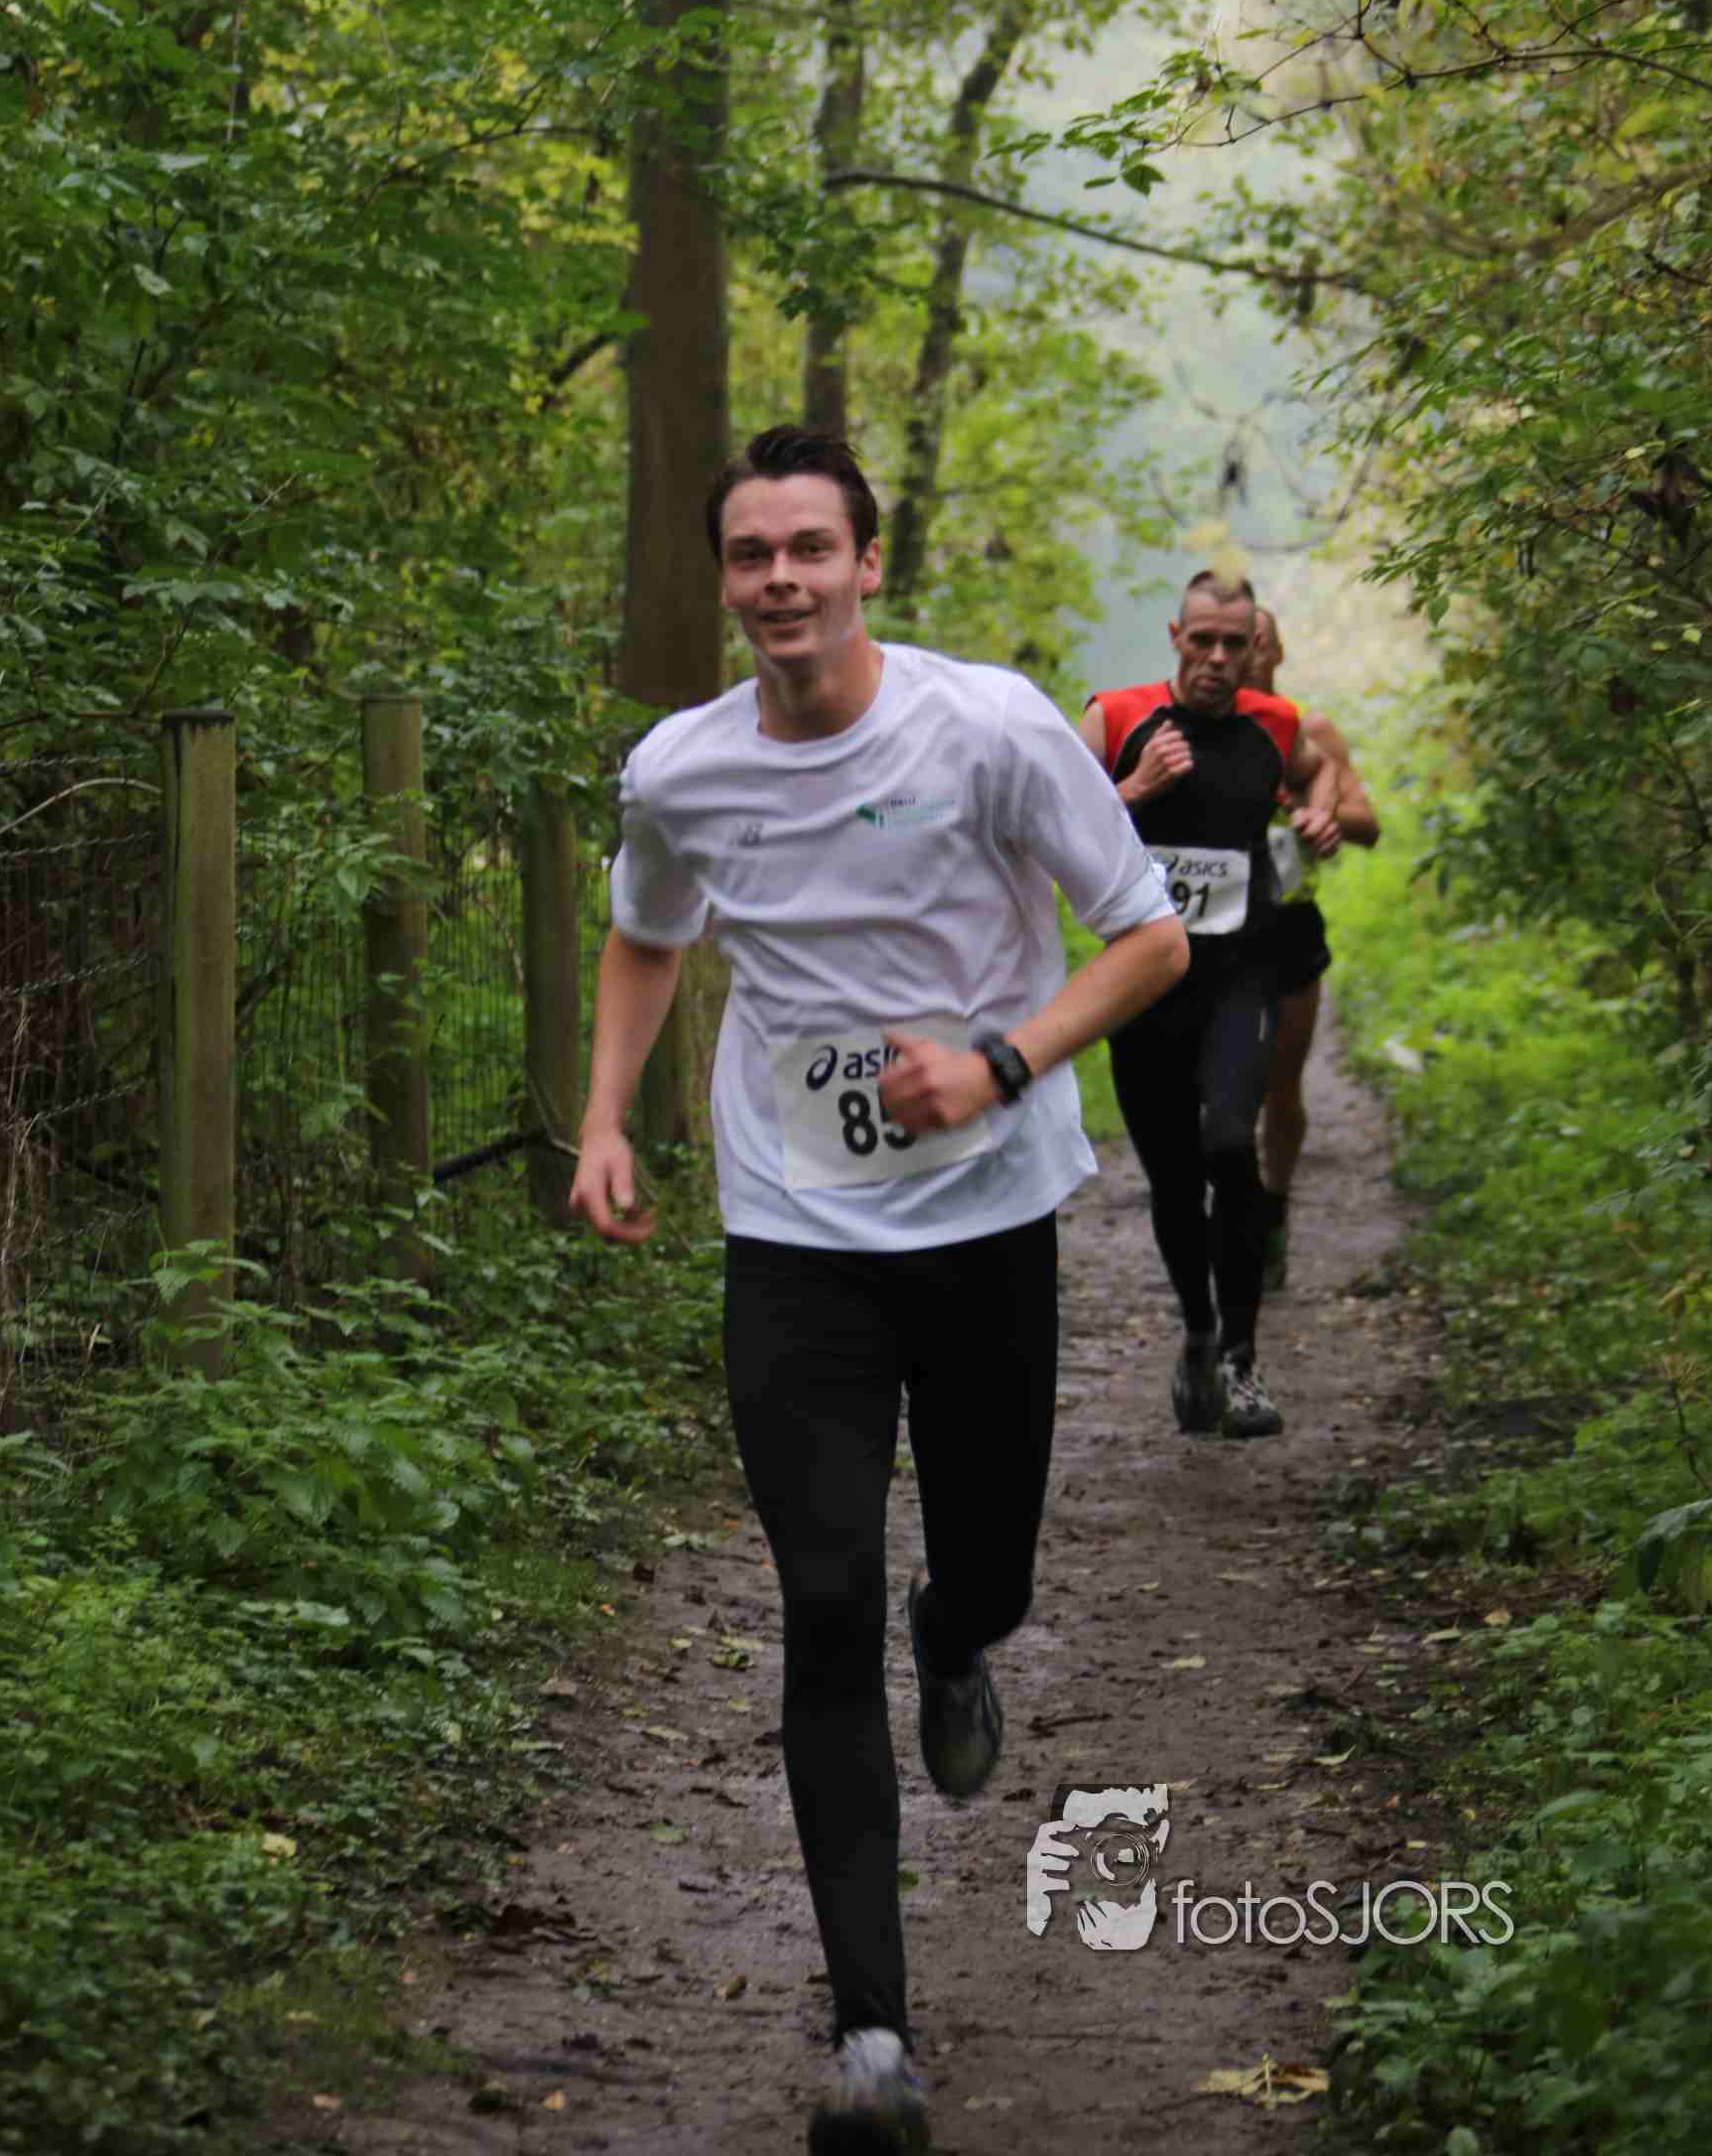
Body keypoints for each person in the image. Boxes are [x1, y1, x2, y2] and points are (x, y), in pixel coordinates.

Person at [568, 425, 1188, 2155]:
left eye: (809, 549)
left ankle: (958, 1633)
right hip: (795, 1230)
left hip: (986, 1216)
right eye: (750, 554)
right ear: (724, 580)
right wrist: (606, 1117)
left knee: (980, 1569)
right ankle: (870, 2037)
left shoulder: (986, 728)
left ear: (865, 566)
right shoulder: (682, 771)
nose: (780, 580)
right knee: (822, 1595)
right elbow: (646, 935)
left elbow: (1147, 937)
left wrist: (999, 1062)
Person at [1079, 572, 1342, 1440]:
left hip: (1241, 976)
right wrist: (1134, 789)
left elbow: (1322, 773)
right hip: (1144, 982)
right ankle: (1197, 1332)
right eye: (1203, 641)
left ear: (1253, 646)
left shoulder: (1275, 722)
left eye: (1236, 643)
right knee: (1173, 1177)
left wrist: (1320, 816)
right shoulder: (1117, 717)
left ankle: (1241, 1360)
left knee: (1231, 1143)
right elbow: (1052, 827)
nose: (1219, 658)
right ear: (1175, 636)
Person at [1246, 604, 1381, 1287]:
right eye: (1234, 642)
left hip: (1289, 920)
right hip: (1208, 928)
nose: (1245, 655)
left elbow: (1367, 821)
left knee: (1281, 1085)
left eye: (1259, 643)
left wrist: (1317, 816)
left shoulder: (1308, 730)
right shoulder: (1191, 725)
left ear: (1279, 653)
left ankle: (1273, 1206)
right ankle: (1230, 1209)